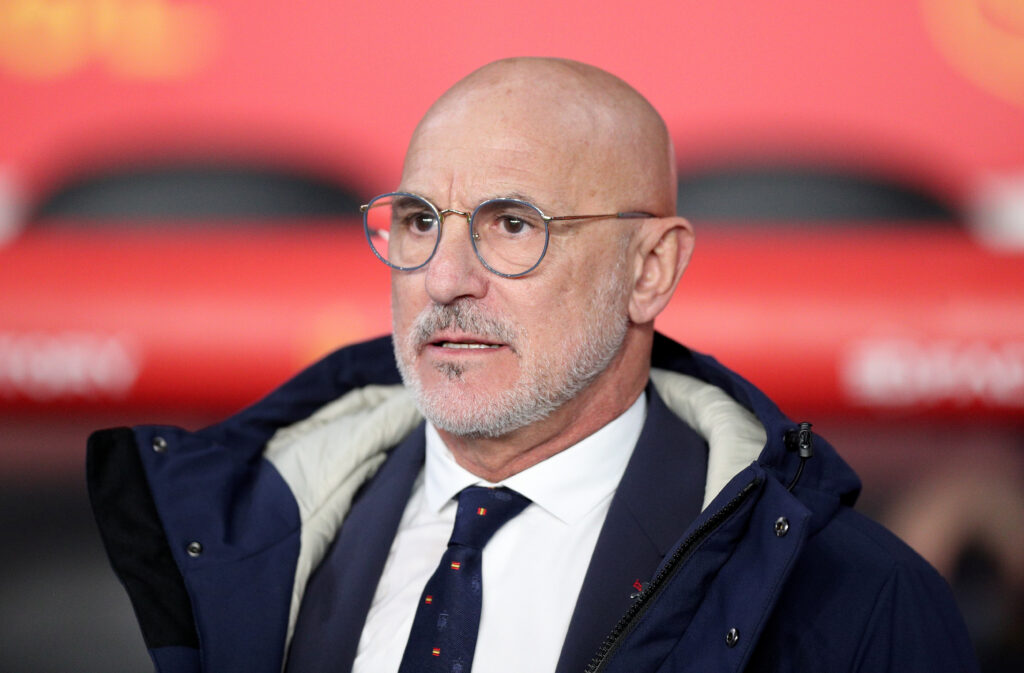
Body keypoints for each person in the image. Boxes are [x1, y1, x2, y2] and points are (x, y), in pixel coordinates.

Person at [87, 58, 978, 673]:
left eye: (512, 225)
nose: (444, 278)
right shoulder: (229, 537)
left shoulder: (854, 599)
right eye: (419, 221)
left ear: (649, 269)